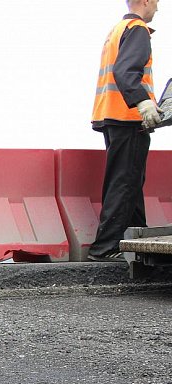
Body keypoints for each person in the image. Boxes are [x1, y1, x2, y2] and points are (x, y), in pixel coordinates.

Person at [88, 0, 161, 262]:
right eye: (157, 2)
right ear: (146, 1)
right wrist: (142, 102)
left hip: (112, 114)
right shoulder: (137, 28)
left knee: (130, 180)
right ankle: (105, 247)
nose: (158, 8)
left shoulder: (118, 29)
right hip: (128, 116)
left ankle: (135, 244)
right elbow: (125, 71)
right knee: (125, 181)